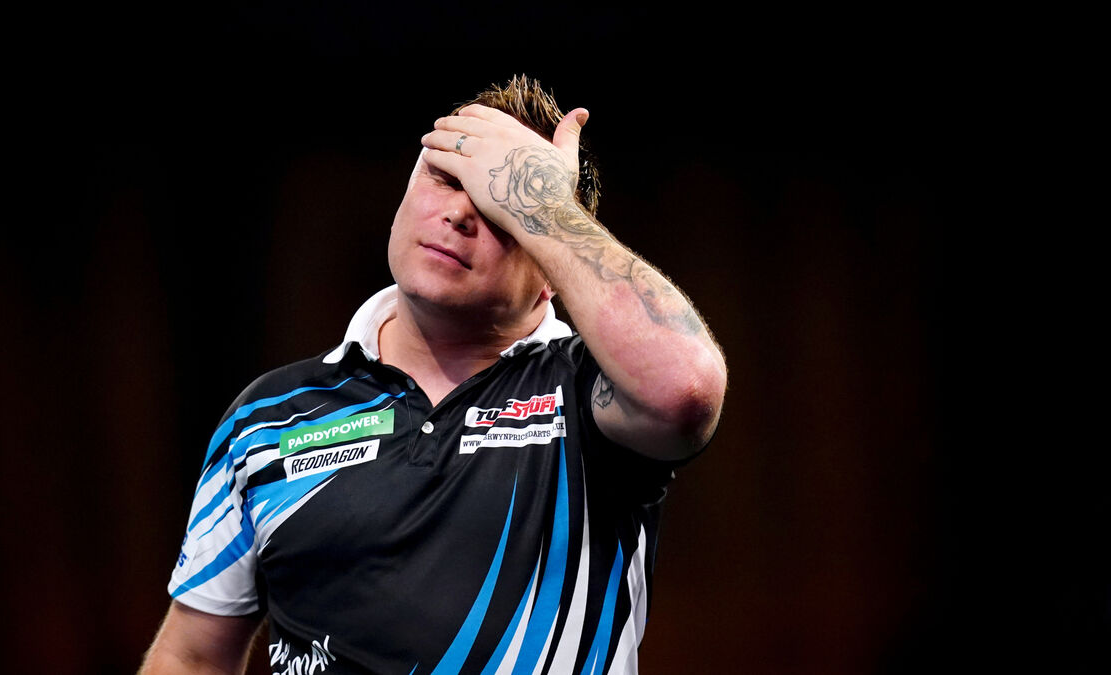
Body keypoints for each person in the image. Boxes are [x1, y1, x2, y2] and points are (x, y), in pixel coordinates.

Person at [139, 75, 727, 675]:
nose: (459, 214)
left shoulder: (587, 394)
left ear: (553, 266)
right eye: (445, 177)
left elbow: (683, 389)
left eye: (502, 206)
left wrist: (549, 209)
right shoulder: (266, 418)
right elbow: (190, 657)